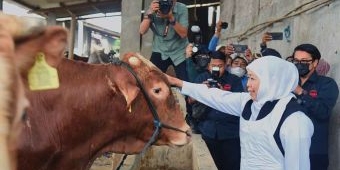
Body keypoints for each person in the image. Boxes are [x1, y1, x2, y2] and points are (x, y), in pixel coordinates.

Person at [167, 56, 314, 170]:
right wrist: (178, 83)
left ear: (272, 80)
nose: (248, 85)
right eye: (248, 77)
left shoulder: (295, 120)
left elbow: (298, 166)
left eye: (252, 78)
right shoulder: (249, 103)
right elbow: (216, 96)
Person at [193, 51, 243, 170]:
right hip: (208, 131)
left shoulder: (234, 80)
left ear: (225, 65)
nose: (216, 69)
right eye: (213, 66)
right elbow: (190, 100)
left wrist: (223, 94)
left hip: (230, 133)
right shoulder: (201, 78)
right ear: (208, 65)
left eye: (220, 66)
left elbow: (240, 103)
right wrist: (202, 91)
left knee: (231, 166)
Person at [292, 44, 339, 170]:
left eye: (304, 61)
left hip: (314, 151)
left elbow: (323, 112)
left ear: (315, 63)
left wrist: (301, 92)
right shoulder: (288, 84)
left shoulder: (326, 84)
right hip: (289, 148)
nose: (299, 64)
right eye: (296, 61)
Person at [139, 0, 189, 81]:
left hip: (179, 50)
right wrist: (149, 13)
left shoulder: (182, 8)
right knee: (152, 80)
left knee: (186, 81)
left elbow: (183, 34)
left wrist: (171, 17)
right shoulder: (154, 7)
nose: (166, 4)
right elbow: (142, 31)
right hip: (160, 48)